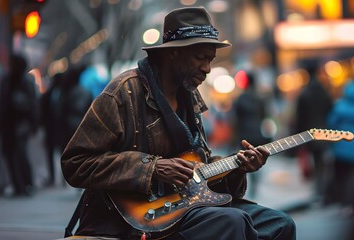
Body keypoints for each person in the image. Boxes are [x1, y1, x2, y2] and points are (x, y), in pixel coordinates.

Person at [61, 7, 295, 240]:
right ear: (173, 53)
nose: (207, 69)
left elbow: (197, 166)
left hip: (187, 207)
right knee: (232, 222)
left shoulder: (190, 97)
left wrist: (236, 167)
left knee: (280, 224)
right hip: (133, 220)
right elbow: (75, 163)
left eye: (211, 60)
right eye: (200, 58)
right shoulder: (123, 93)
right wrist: (152, 168)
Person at [0, 54, 38, 196]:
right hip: (9, 124)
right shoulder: (7, 81)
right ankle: (19, 186)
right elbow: (2, 104)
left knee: (20, 154)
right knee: (10, 154)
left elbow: (32, 104)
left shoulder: (24, 82)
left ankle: (26, 184)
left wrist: (33, 123)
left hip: (20, 124)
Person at [325, 80, 354, 210]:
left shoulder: (340, 107)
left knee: (340, 176)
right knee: (353, 177)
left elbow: (331, 124)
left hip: (339, 148)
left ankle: (341, 202)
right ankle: (351, 203)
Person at [294, 61, 333, 202]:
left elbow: (299, 118)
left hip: (310, 134)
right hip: (325, 132)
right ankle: (323, 193)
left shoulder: (305, 93)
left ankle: (319, 192)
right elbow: (331, 110)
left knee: (317, 163)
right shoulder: (324, 90)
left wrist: (298, 139)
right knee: (323, 163)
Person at [232, 71, 271, 199]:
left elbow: (235, 121)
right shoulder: (260, 98)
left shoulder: (240, 99)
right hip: (258, 133)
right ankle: (255, 184)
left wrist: (233, 138)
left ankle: (249, 185)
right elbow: (265, 117)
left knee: (244, 161)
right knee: (257, 157)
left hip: (244, 136)